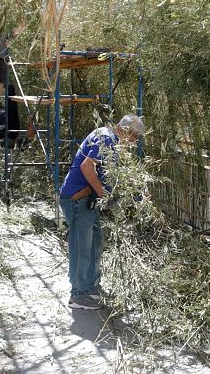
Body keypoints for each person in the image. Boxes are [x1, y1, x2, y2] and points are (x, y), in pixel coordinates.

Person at [59, 114, 146, 310]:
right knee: (82, 247)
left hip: (88, 200)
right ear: (124, 130)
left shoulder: (112, 142)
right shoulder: (105, 137)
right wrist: (106, 198)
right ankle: (78, 295)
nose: (134, 142)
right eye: (134, 137)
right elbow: (86, 168)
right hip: (78, 199)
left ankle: (90, 287)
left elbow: (106, 175)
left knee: (95, 242)